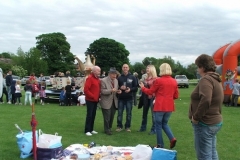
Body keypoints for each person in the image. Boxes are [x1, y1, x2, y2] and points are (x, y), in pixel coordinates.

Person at [189, 54, 223, 160]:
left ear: (203, 67)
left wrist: (196, 117)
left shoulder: (206, 80)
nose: (198, 70)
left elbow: (206, 99)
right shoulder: (216, 79)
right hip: (214, 122)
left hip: (205, 124)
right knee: (212, 153)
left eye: (198, 67)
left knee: (204, 155)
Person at [139, 63, 178, 149]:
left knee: (158, 125)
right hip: (169, 106)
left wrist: (142, 88)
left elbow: (150, 92)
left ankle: (160, 144)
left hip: (160, 106)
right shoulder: (174, 81)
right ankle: (172, 138)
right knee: (164, 123)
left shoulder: (159, 81)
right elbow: (176, 96)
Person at [99, 67, 121, 135]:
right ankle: (107, 129)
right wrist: (111, 90)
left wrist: (118, 91)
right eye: (113, 74)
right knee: (107, 117)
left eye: (115, 74)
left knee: (112, 116)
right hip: (106, 101)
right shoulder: (103, 80)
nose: (115, 75)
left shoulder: (116, 81)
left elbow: (115, 89)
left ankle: (109, 128)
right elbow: (102, 91)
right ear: (109, 74)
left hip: (114, 101)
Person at [116, 64, 137, 132]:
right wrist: (120, 88)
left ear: (128, 68)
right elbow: (116, 87)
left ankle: (127, 127)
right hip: (121, 98)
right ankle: (119, 126)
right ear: (122, 68)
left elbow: (136, 88)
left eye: (126, 67)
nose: (125, 68)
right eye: (124, 67)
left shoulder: (132, 77)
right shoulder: (119, 77)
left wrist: (130, 89)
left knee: (129, 113)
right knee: (119, 113)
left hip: (129, 98)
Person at [138, 65, 157, 135]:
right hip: (146, 97)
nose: (147, 69)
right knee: (144, 113)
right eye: (146, 68)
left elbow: (153, 90)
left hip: (152, 98)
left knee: (153, 115)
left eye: (148, 68)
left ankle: (154, 129)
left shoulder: (155, 79)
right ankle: (143, 127)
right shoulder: (146, 78)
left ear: (152, 69)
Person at [84, 66, 101, 136]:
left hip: (95, 100)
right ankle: (87, 130)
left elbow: (98, 89)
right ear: (94, 71)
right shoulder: (90, 78)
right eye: (98, 71)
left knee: (93, 115)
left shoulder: (97, 79)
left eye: (99, 71)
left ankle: (91, 129)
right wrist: (93, 96)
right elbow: (86, 90)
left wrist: (98, 96)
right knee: (89, 115)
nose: (99, 72)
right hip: (90, 100)